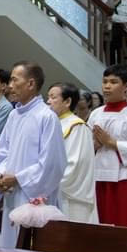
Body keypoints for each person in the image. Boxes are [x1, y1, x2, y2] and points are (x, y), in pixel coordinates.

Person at [0, 62, 66, 248]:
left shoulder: (46, 117)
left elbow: (52, 164)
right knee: (10, 245)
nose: (9, 86)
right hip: (11, 192)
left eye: (14, 80)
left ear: (31, 84)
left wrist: (17, 178)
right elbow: (3, 153)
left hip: (33, 196)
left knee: (30, 248)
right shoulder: (14, 115)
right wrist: (0, 176)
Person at [89, 64, 127, 227]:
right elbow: (86, 147)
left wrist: (111, 143)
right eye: (105, 82)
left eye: (113, 82)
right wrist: (95, 145)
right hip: (99, 176)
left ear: (125, 86)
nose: (107, 86)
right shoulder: (96, 114)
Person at [47, 83, 98, 224]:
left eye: (53, 97)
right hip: (51, 191)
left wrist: (46, 183)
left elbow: (74, 164)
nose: (48, 101)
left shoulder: (76, 126)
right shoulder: (51, 123)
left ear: (67, 101)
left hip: (70, 196)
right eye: (48, 97)